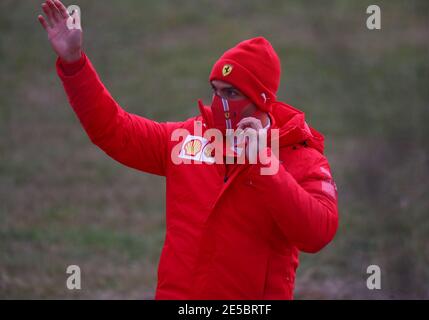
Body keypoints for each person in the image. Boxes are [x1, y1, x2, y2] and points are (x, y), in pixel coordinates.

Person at [38, 0, 339, 299]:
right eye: (215, 90)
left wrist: (264, 164)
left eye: (231, 93)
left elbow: (317, 233)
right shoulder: (186, 141)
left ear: (261, 99)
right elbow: (114, 130)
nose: (219, 102)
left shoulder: (299, 157)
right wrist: (75, 63)